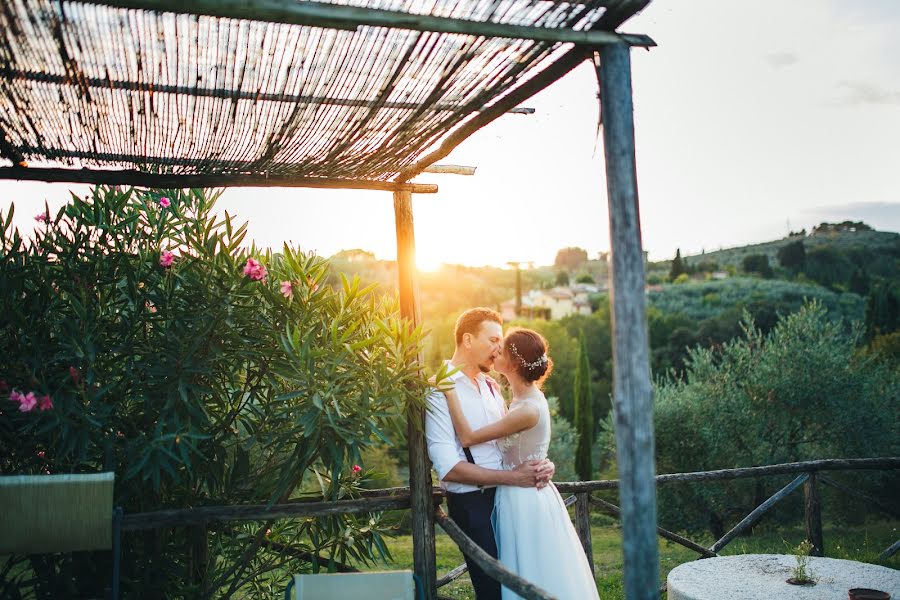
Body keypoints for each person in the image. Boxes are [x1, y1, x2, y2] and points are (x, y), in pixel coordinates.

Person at [442, 327, 600, 600]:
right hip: (519, 492)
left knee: (530, 568)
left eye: (500, 350)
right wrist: (544, 462)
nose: (495, 352)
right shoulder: (519, 399)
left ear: (513, 364)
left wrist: (449, 393)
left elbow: (468, 437)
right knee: (522, 569)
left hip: (525, 499)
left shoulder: (527, 408)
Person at [425, 308, 555, 600]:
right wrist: (514, 478)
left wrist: (539, 465)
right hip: (472, 504)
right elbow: (449, 469)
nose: (500, 349)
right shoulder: (438, 390)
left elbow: (510, 445)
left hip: (507, 500)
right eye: (494, 339)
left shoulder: (492, 387)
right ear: (468, 339)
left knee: (521, 587)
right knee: (494, 592)